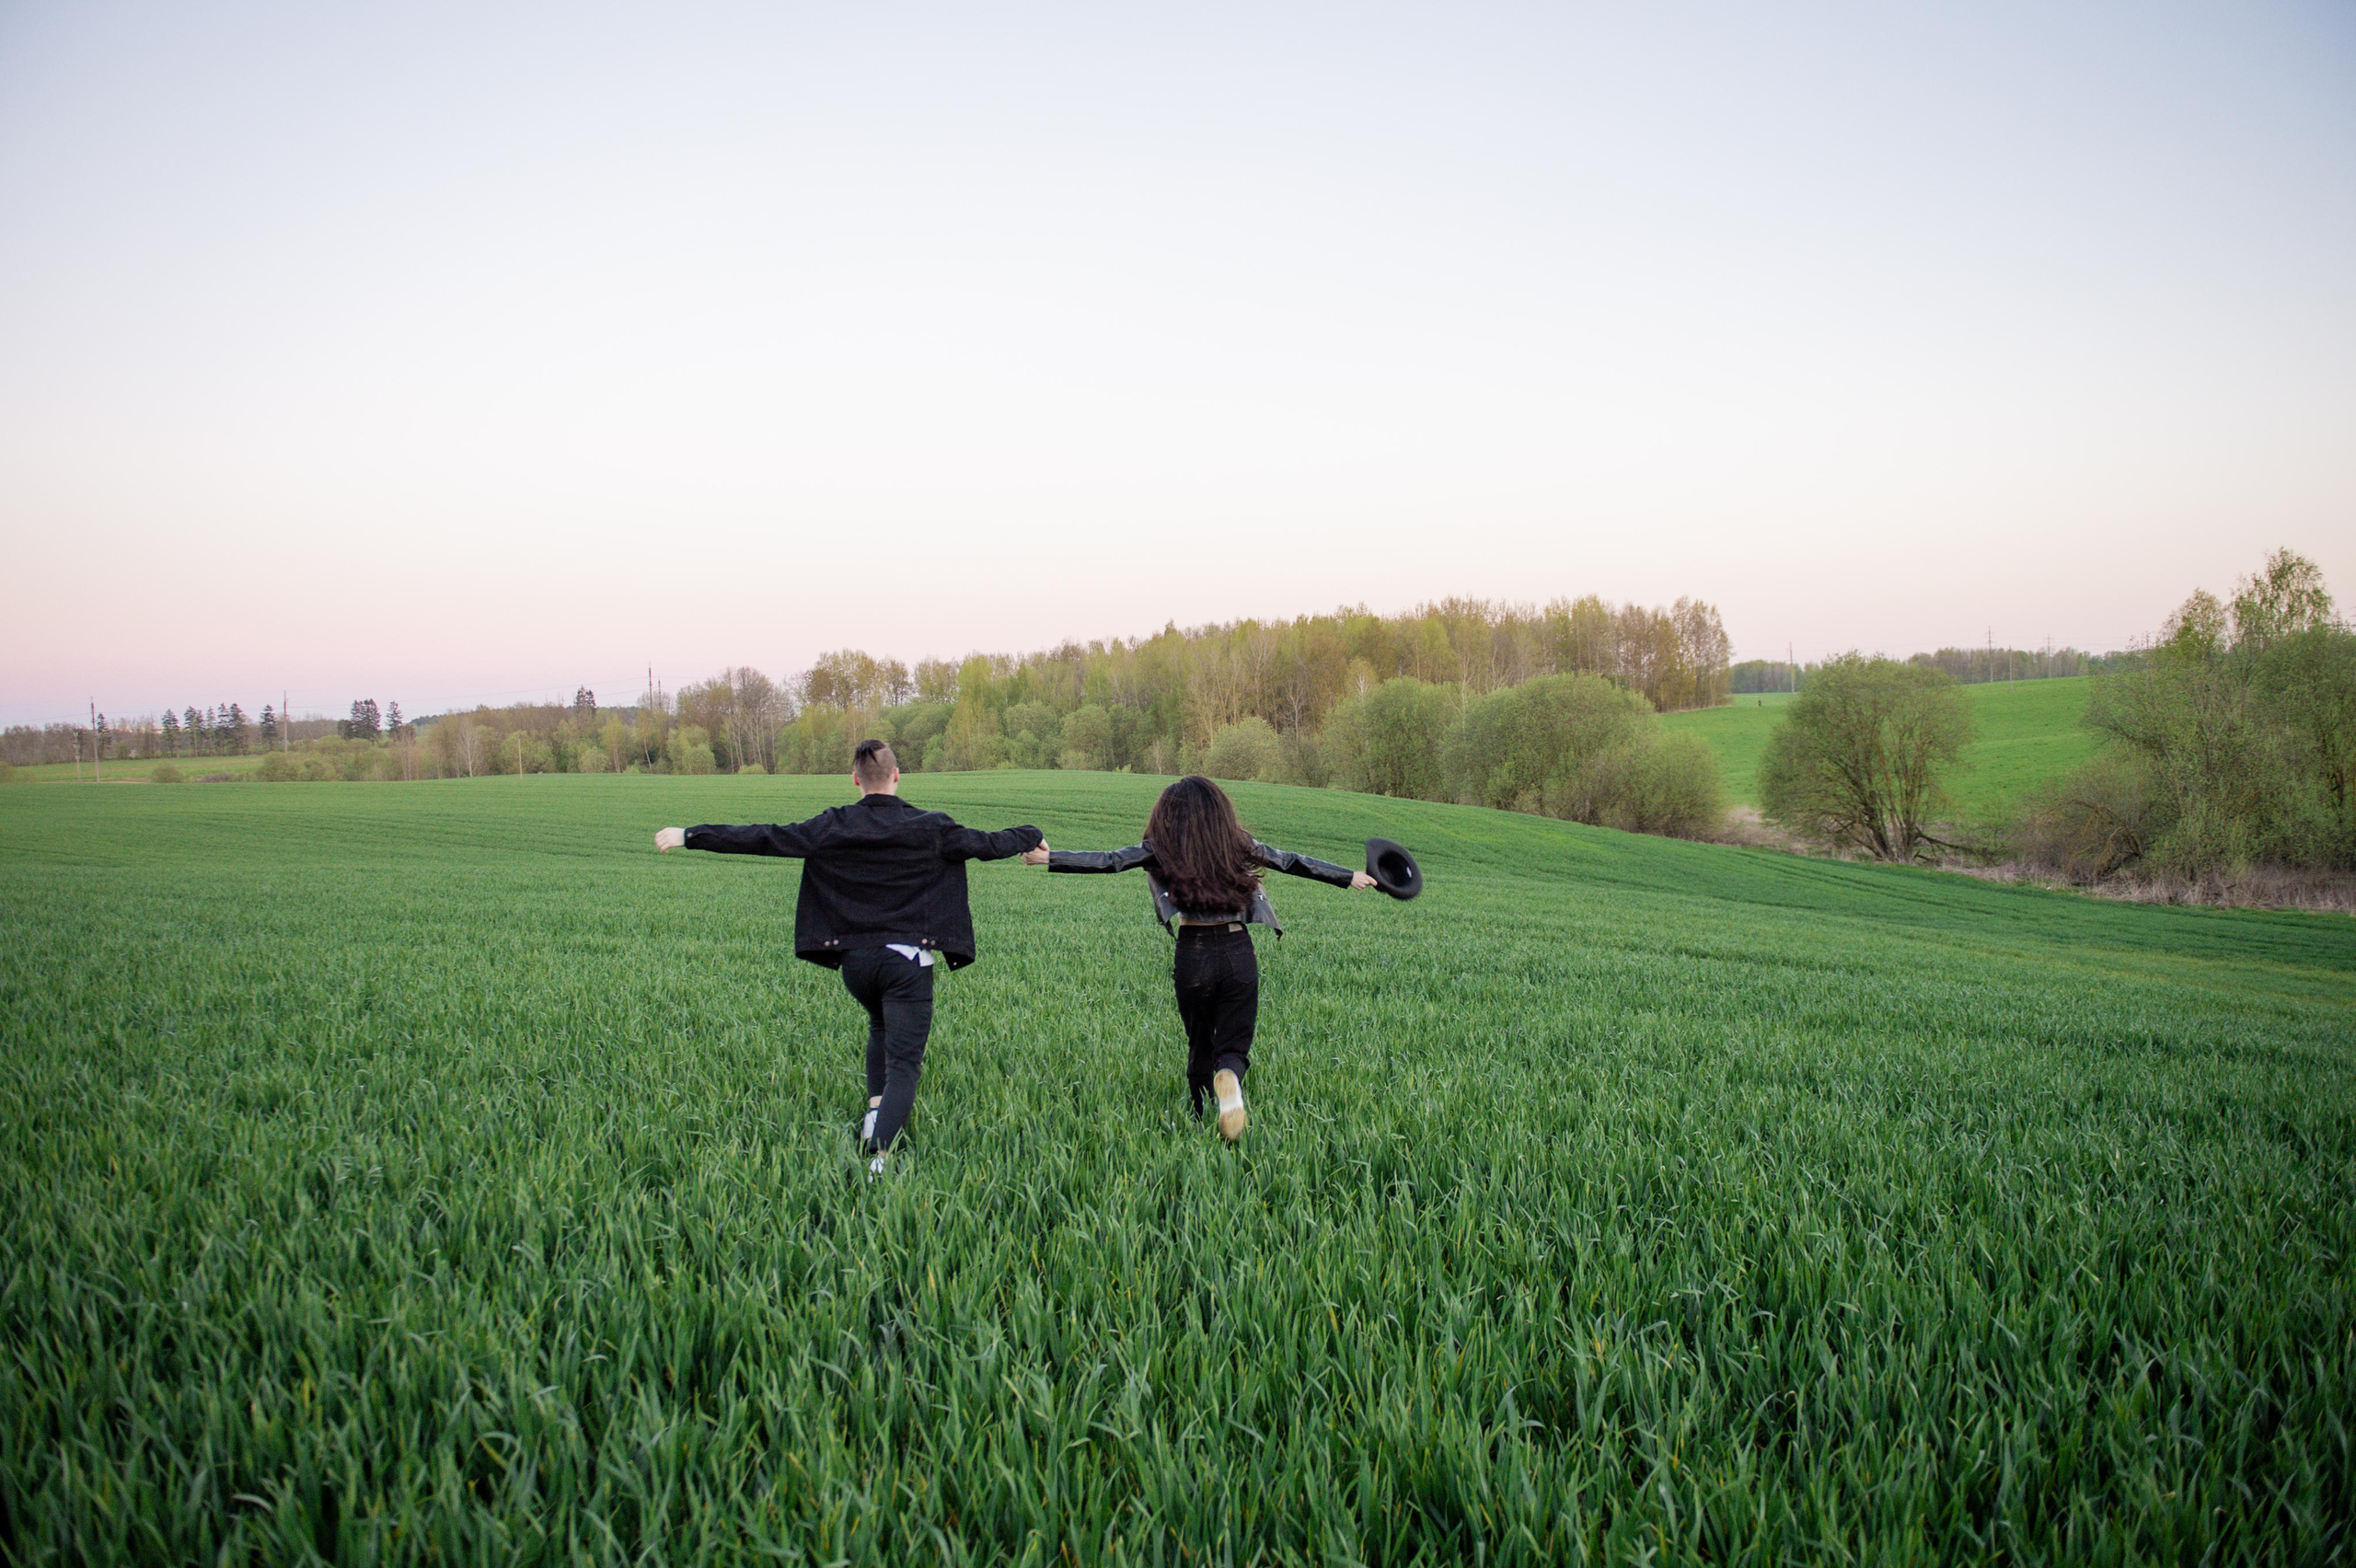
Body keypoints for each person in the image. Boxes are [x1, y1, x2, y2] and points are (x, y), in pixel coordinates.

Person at [654, 739, 1048, 1175]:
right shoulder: (931, 826)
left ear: (856, 780)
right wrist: (1032, 835)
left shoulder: (833, 825)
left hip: (856, 965)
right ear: (897, 776)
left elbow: (765, 836)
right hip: (906, 965)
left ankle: (871, 1121)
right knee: (904, 1062)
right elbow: (990, 843)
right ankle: (880, 1159)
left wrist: (690, 836)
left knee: (880, 1026)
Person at [1042, 775, 1374, 1141]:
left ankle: (1201, 1119)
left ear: (1169, 814)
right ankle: (1229, 1079)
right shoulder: (1237, 842)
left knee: (1199, 1041)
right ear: (1219, 810)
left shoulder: (1161, 847)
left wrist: (1050, 857)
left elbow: (1109, 861)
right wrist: (1348, 877)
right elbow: (1291, 861)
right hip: (1237, 952)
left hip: (1192, 953)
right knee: (1233, 1045)